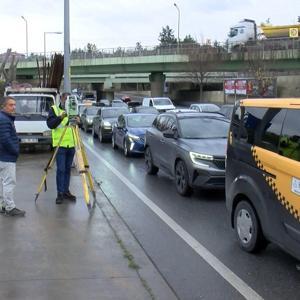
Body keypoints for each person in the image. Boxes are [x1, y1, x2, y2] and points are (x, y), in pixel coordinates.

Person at [47, 92, 77, 204]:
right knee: (61, 169)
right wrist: (61, 116)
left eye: (70, 99)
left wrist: (78, 121)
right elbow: (50, 124)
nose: (68, 102)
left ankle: (65, 191)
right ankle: (60, 193)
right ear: (62, 99)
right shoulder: (54, 109)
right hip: (60, 145)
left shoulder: (74, 109)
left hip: (71, 144)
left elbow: (77, 125)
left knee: (68, 169)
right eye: (66, 99)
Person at [0, 96, 25, 216]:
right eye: (11, 105)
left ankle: (2, 205)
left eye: (14, 105)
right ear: (4, 106)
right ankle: (10, 208)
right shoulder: (4, 119)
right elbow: (5, 139)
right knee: (9, 182)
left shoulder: (5, 118)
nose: (14, 107)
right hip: (6, 157)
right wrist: (15, 150)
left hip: (3, 156)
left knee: (3, 182)